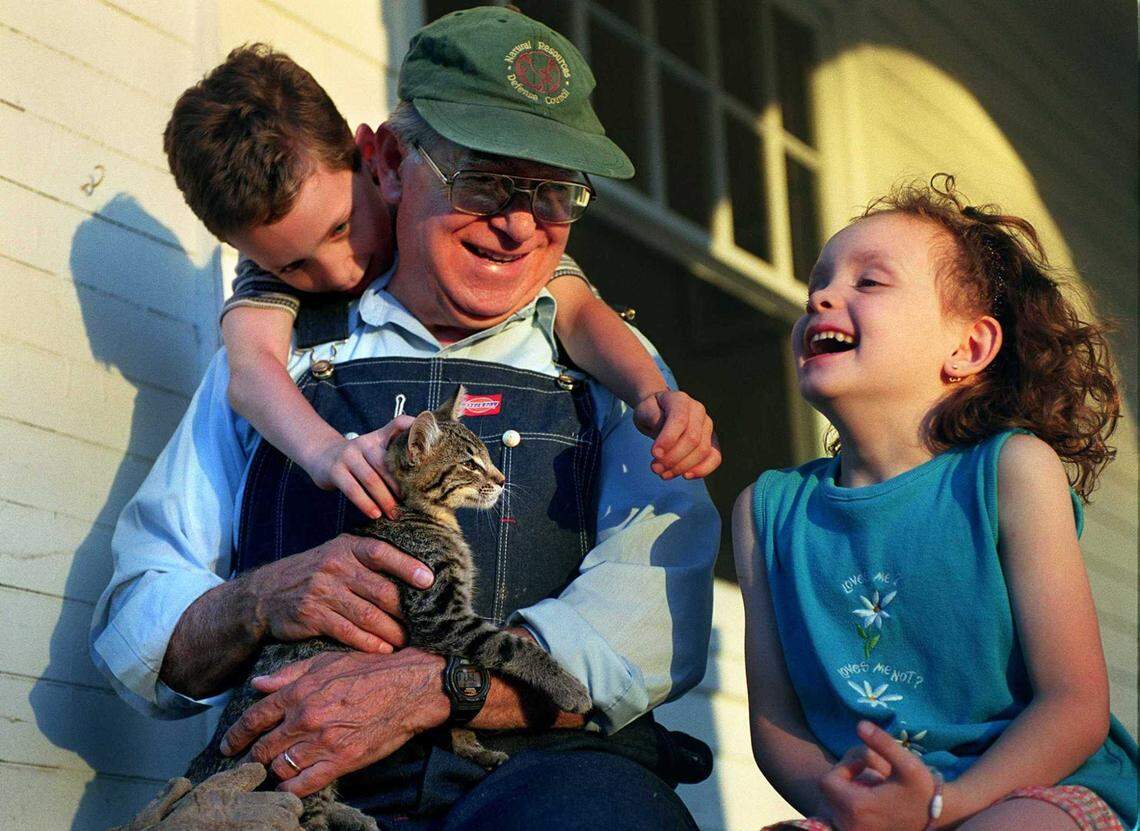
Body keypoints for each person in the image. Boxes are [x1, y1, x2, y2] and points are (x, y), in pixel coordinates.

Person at [93, 7, 719, 830]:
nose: (519, 222)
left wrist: (438, 686)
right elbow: (139, 614)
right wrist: (256, 600)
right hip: (304, 770)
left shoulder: (606, 357)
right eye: (483, 179)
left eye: (554, 191)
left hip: (546, 776)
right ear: (388, 161)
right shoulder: (274, 358)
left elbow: (649, 616)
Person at [733, 176, 1138, 831]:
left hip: (1034, 789)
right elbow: (777, 723)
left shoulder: (1011, 470)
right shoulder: (765, 512)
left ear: (968, 347)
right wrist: (855, 806)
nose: (822, 295)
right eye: (820, 281)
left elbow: (1075, 703)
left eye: (869, 282)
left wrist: (941, 807)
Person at [201, 54, 717, 525]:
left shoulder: (535, 274)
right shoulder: (273, 299)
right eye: (481, 182)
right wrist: (324, 452)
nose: (339, 273)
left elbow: (581, 313)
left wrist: (652, 394)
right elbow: (249, 373)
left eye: (341, 228)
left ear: (372, 163)